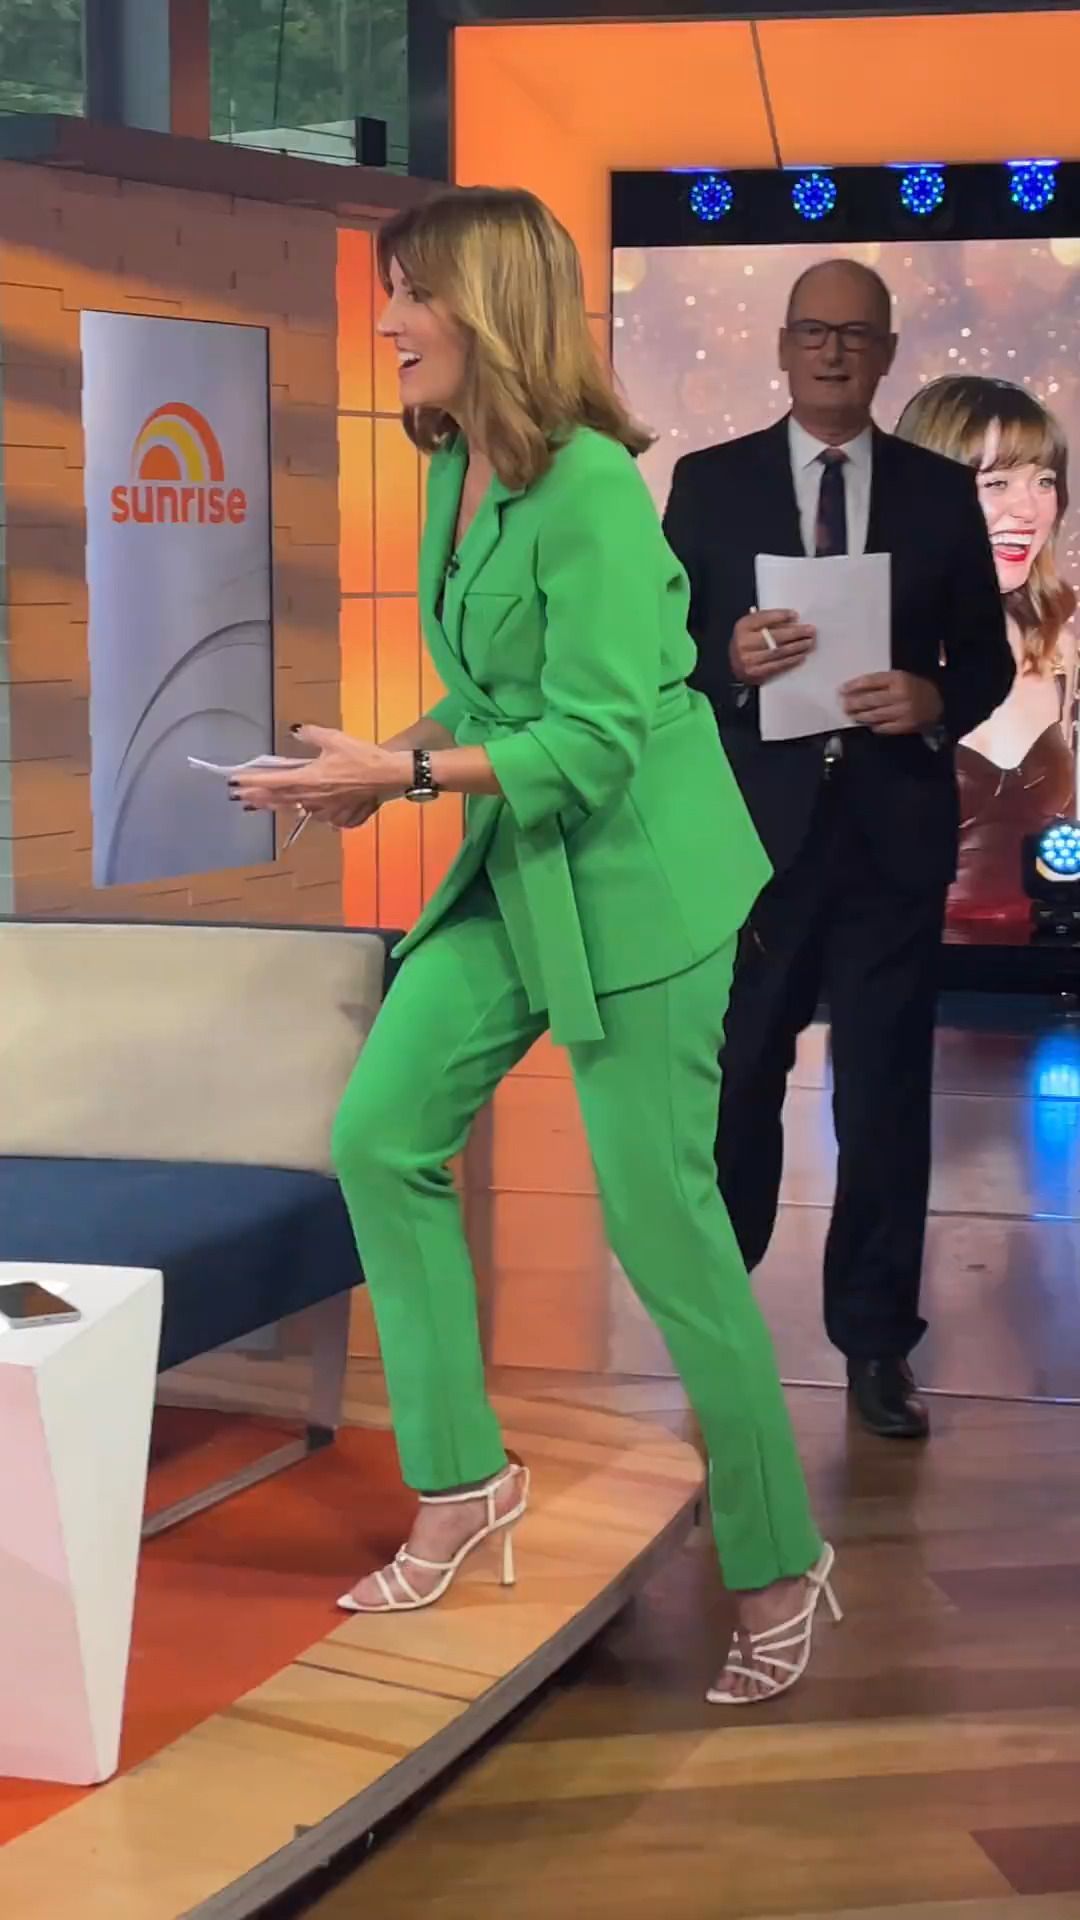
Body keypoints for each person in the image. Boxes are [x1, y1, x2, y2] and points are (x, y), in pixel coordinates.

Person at [232, 187, 839, 1705]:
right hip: (519, 864)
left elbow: (600, 739)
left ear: (487, 307)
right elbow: (503, 695)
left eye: (409, 294)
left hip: (640, 881)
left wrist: (406, 777)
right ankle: (464, 1483)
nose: (385, 321)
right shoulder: (453, 466)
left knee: (665, 1230)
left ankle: (780, 1557)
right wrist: (371, 767)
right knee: (381, 1137)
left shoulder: (593, 491)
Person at [663, 260, 1014, 1442]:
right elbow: (663, 656)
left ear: (887, 354)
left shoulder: (937, 492)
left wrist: (935, 697)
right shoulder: (710, 485)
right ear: (782, 345)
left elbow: (987, 658)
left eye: (855, 336)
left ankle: (876, 1345)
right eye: (813, 333)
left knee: (883, 1101)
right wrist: (726, 664)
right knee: (737, 1088)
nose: (831, 353)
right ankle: (719, 1334)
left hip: (888, 841)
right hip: (752, 846)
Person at [895, 375, 1077, 933]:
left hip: (1038, 972)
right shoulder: (862, 647)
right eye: (996, 482)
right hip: (904, 969)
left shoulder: (1059, 648)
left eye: (1044, 481)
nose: (1029, 508)